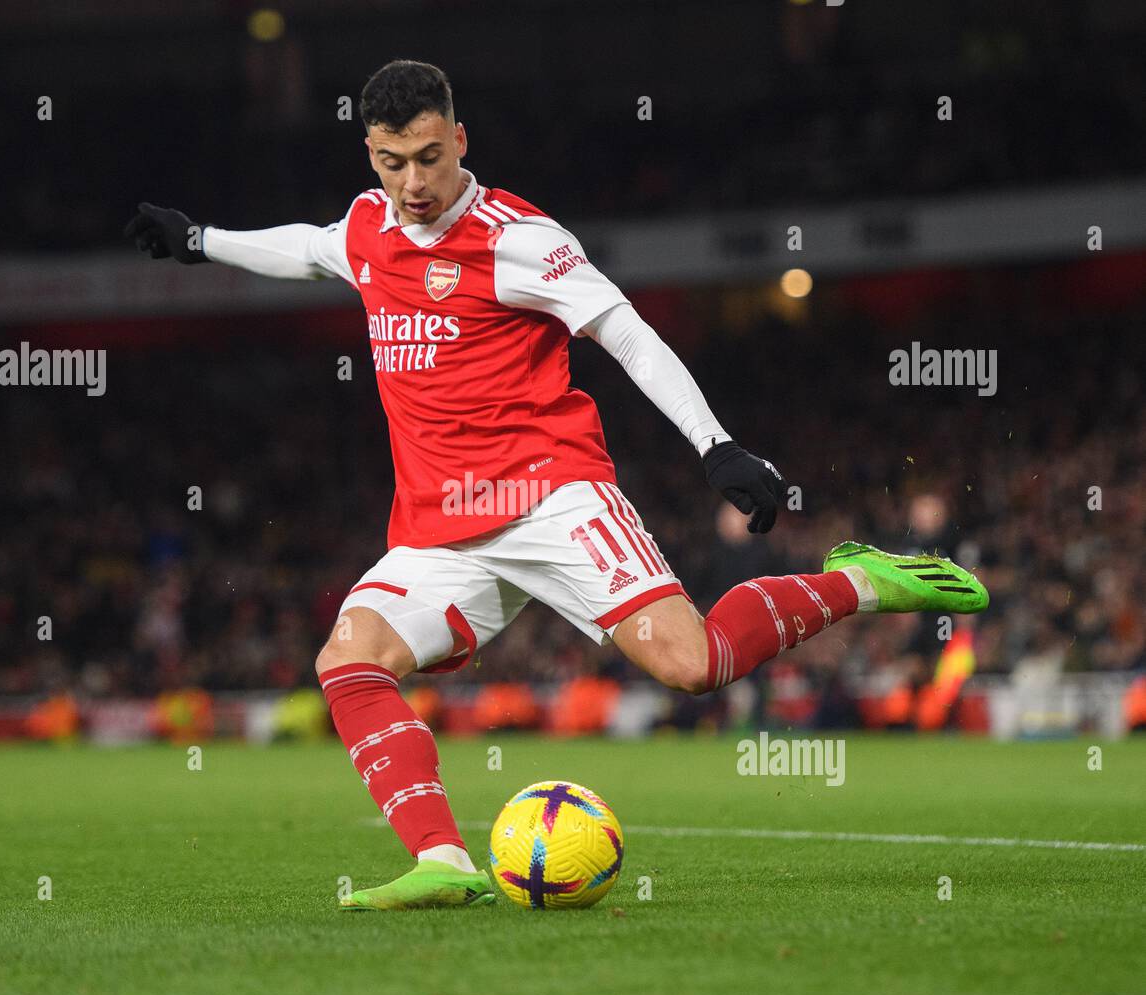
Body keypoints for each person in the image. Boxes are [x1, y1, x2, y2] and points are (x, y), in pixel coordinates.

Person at [125, 59, 988, 910]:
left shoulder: (518, 240)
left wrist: (717, 445)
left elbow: (630, 334)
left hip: (550, 496)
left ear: (460, 139)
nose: (414, 181)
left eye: (430, 156)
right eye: (393, 163)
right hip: (440, 526)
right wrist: (200, 242)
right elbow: (309, 251)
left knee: (694, 666)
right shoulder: (367, 227)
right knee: (348, 662)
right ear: (370, 156)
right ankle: (443, 860)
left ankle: (860, 579)